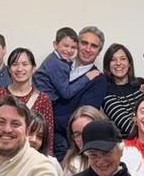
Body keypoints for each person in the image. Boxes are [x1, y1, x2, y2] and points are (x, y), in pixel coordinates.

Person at [36, 27, 107, 156]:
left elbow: (81, 118)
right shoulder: (60, 64)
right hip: (40, 137)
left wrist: (48, 120)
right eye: (84, 43)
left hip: (66, 144)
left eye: (94, 46)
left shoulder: (98, 80)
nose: (87, 49)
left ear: (99, 52)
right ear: (77, 44)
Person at [61, 106, 144, 176]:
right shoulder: (72, 164)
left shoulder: (130, 154)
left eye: (89, 130)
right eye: (78, 134)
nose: (84, 138)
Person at [0, 48, 53, 150]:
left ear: (33, 68)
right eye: (15, 64)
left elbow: (47, 136)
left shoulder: (43, 99)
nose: (19, 69)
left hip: (31, 157)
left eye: (25, 64)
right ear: (9, 69)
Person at [102, 43, 144, 138]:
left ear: (129, 63)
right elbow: (128, 127)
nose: (118, 63)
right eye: (113, 60)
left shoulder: (141, 83)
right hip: (129, 146)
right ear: (107, 65)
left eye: (123, 58)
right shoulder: (106, 93)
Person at [27, 111, 65, 176]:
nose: (34, 140)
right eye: (30, 133)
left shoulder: (52, 163)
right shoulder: (6, 160)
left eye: (40, 137)